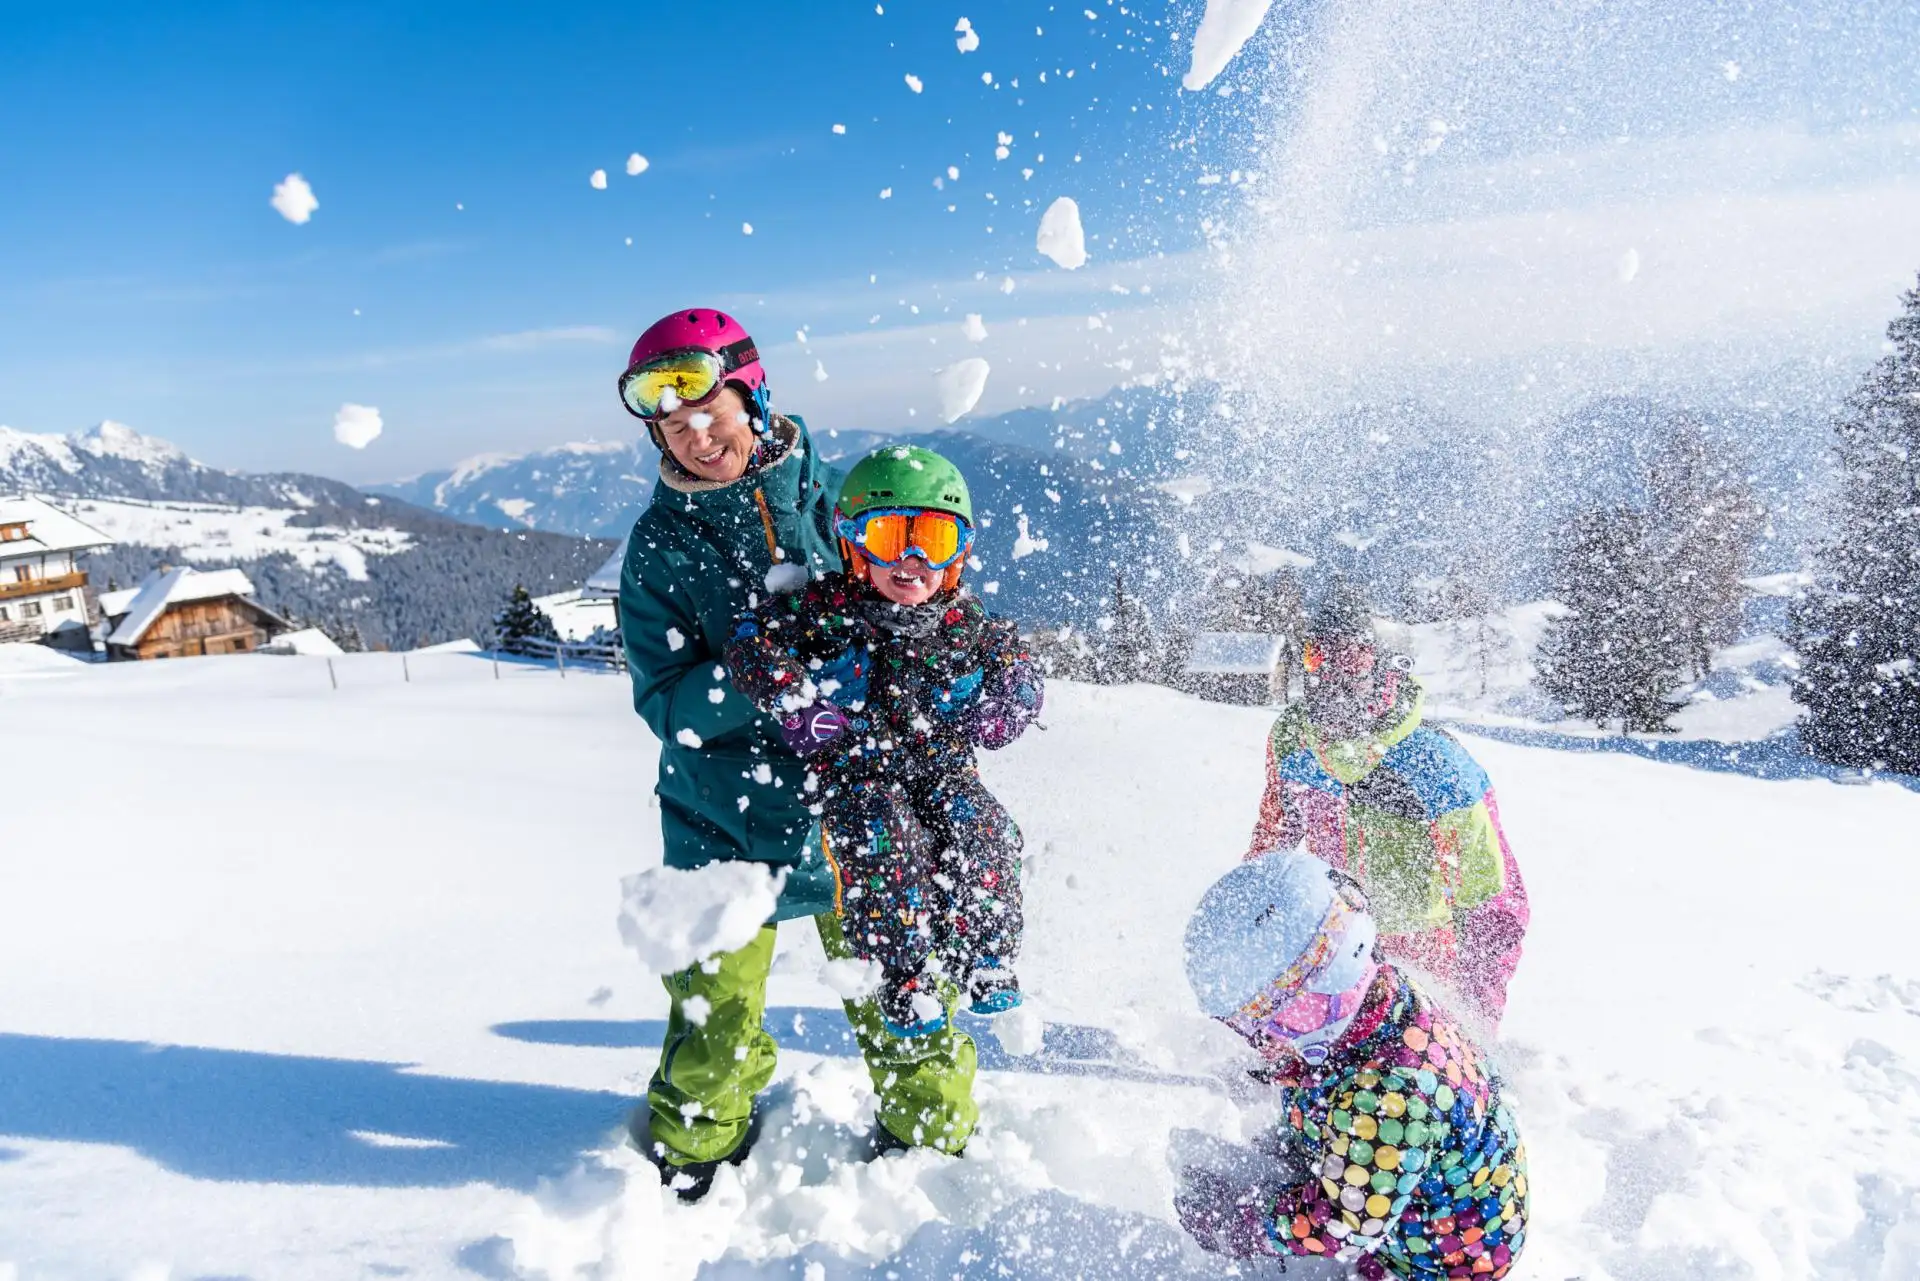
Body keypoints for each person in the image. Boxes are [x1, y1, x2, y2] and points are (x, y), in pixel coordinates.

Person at [613, 309, 980, 1201]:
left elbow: (915, 590)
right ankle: (688, 1170)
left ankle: (933, 1154)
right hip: (722, 817)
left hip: (861, 809)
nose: (698, 436)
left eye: (713, 410)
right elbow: (666, 701)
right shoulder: (661, 547)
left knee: (907, 995)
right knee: (715, 1030)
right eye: (673, 423)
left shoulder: (837, 499)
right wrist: (765, 675)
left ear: (753, 393)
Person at [723, 444, 1043, 1038]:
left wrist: (1010, 699)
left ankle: (987, 956)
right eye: (891, 537)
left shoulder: (961, 622)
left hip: (944, 769)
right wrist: (799, 702)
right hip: (858, 774)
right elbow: (751, 644)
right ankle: (906, 977)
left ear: (958, 556)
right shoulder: (826, 611)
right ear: (852, 544)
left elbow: (1014, 663)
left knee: (987, 833)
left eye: (935, 543)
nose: (913, 562)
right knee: (886, 845)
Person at [1175, 851, 1530, 1279]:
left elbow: (1345, 1223)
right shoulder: (1375, 999)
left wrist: (1248, 1226)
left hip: (1442, 1257)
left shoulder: (1388, 1096)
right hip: (1400, 1179)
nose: (1258, 1042)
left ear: (1312, 1003)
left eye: (1259, 1023)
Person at [1248, 584, 1527, 1028]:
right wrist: (1257, 923)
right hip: (1335, 953)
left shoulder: (1437, 764)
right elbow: (1273, 842)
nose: (1337, 676)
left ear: (1378, 662)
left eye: (1353, 658)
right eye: (1320, 659)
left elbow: (1493, 907)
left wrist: (1477, 1019)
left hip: (1424, 969)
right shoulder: (1293, 741)